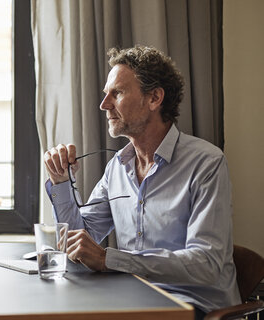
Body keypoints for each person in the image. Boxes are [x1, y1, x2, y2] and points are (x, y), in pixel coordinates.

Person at [43, 45, 240, 319]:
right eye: (105, 95)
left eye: (117, 93)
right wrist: (60, 181)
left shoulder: (206, 163)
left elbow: (205, 264)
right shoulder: (117, 168)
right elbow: (77, 238)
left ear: (154, 98)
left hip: (191, 306)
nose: (104, 105)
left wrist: (108, 259)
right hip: (132, 300)